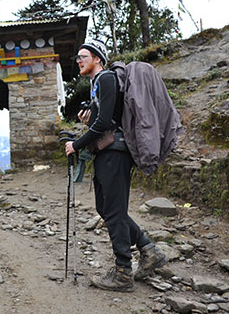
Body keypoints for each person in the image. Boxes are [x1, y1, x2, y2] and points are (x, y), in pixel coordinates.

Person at [64, 40, 167, 292]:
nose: (78, 60)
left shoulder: (107, 78)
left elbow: (103, 126)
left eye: (83, 56)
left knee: (114, 211)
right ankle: (148, 249)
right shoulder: (97, 84)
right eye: (77, 57)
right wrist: (89, 116)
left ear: (97, 58)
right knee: (107, 208)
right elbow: (103, 119)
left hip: (115, 153)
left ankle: (123, 272)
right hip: (106, 153)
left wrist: (76, 145)